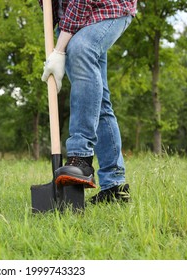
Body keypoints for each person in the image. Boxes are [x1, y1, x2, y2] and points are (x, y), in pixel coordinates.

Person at [39, 0, 137, 204]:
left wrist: (59, 50)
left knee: (81, 48)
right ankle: (114, 187)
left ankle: (81, 158)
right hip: (72, 18)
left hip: (108, 7)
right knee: (97, 101)